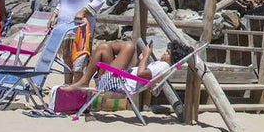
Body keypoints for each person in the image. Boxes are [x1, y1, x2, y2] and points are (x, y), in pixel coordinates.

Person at [50, 0, 104, 85]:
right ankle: (66, 87)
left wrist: (84, 10)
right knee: (67, 60)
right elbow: (63, 0)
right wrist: (54, 14)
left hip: (80, 29)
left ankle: (77, 90)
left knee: (78, 62)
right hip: (65, 28)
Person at [61, 38, 193, 92]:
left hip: (114, 83)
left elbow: (141, 74)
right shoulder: (162, 66)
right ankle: (84, 79)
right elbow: (138, 75)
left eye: (167, 52)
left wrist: (146, 55)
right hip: (116, 81)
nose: (164, 54)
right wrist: (141, 60)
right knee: (104, 47)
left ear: (172, 57)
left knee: (127, 47)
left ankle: (83, 81)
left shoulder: (163, 66)